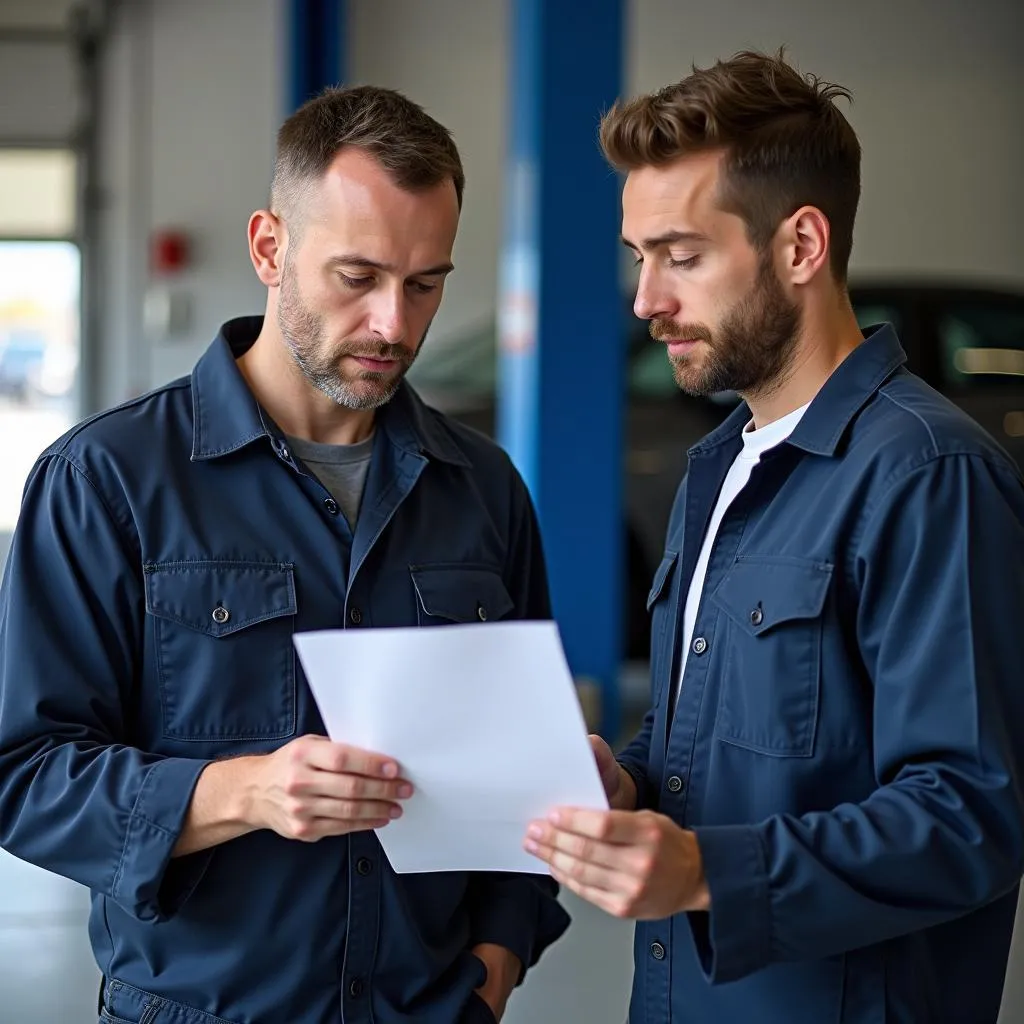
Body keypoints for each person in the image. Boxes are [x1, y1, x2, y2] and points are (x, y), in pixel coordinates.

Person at [0, 85, 568, 1024]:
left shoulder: (484, 490)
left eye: (426, 282)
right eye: (358, 276)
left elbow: (525, 771)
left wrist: (502, 954)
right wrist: (243, 791)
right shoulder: (106, 480)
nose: (395, 322)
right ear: (270, 248)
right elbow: (24, 775)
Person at [525, 50, 1024, 1023]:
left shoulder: (926, 474)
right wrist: (626, 780)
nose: (645, 302)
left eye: (682, 255)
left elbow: (972, 816)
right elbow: (718, 744)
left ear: (800, 246)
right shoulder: (717, 470)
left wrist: (709, 871)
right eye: (640, 258)